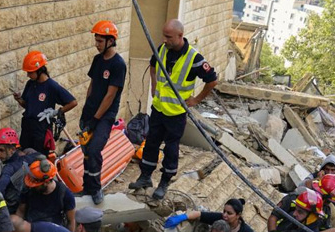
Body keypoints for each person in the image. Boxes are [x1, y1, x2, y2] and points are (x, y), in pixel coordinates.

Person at [129, 19, 219, 200]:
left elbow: (212, 80)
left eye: (168, 37)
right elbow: (153, 64)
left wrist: (196, 100)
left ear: (180, 36)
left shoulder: (194, 59)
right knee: (151, 143)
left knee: (171, 148)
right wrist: (153, 84)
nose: (164, 40)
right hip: (158, 109)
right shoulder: (162, 49)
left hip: (176, 113)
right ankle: (145, 176)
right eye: (164, 35)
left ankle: (164, 182)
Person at [80, 20, 127, 205]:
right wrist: (86, 111)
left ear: (110, 41)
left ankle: (95, 188)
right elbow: (92, 85)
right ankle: (86, 187)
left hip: (104, 117)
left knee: (94, 150)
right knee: (85, 151)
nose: (96, 44)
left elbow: (110, 96)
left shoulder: (118, 65)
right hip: (90, 113)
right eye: (96, 40)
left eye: (100, 41)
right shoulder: (97, 60)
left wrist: (95, 120)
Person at [14, 51, 77, 154]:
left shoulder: (52, 86)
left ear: (39, 70)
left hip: (41, 130)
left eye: (30, 72)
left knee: (39, 161)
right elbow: (27, 105)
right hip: (27, 127)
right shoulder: (30, 84)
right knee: (25, 156)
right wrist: (19, 99)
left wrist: (56, 112)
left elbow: (73, 102)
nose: (27, 75)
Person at [17, 158, 76, 232]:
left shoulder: (65, 194)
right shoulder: (29, 190)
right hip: (31, 230)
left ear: (46, 182)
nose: (33, 186)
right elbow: (20, 211)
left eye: (36, 184)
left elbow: (71, 221)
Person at [0, 128, 31, 213]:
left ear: (12, 150)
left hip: (13, 210)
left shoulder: (9, 168)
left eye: (1, 150)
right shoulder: (28, 158)